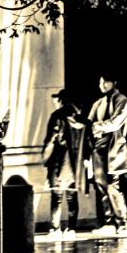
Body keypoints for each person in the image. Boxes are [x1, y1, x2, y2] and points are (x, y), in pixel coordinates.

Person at [87, 72, 127, 236]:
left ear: (114, 82)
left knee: (113, 186)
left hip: (113, 147)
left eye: (106, 82)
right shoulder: (98, 103)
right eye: (100, 82)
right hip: (98, 147)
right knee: (101, 186)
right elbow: (89, 122)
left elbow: (115, 123)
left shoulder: (123, 101)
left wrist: (96, 126)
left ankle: (122, 223)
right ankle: (109, 222)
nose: (102, 85)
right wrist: (95, 127)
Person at [42, 89, 86, 240]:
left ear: (62, 100)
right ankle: (71, 228)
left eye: (57, 99)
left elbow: (50, 140)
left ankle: (55, 229)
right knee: (72, 198)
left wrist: (45, 157)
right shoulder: (80, 118)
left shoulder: (57, 116)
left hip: (59, 161)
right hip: (75, 164)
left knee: (57, 197)